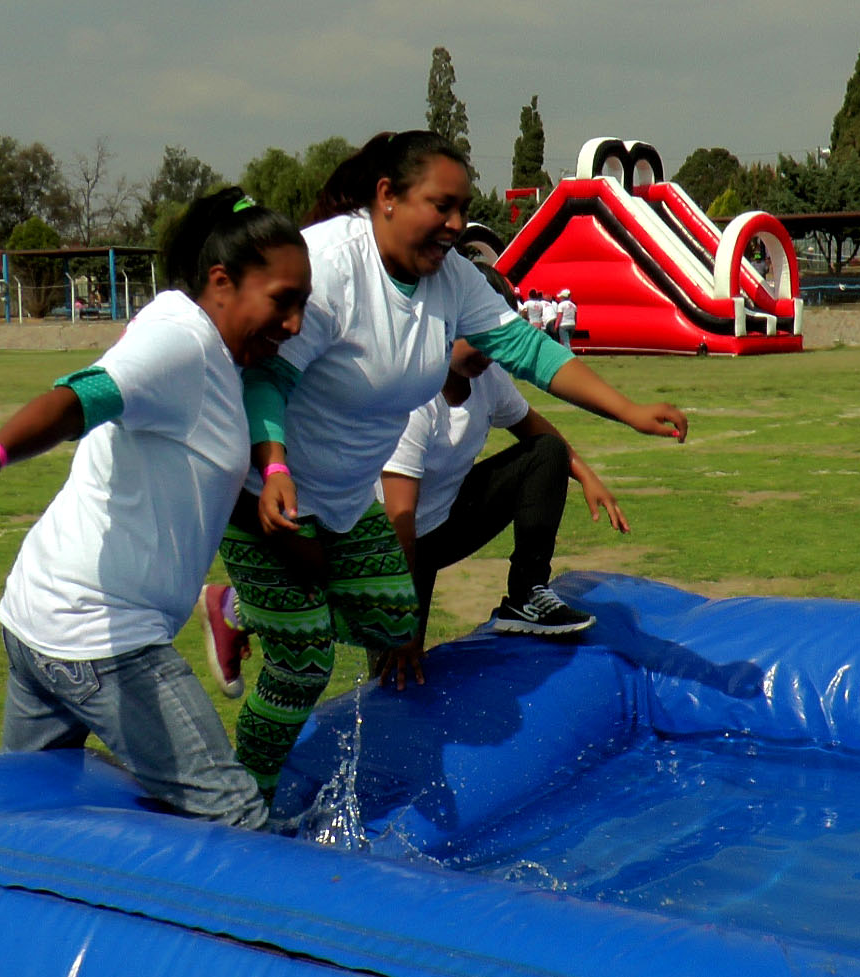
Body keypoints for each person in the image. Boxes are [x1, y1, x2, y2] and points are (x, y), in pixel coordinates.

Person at [198, 130, 687, 793]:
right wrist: (276, 467)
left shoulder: (452, 278)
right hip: (262, 493)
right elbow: (265, 378)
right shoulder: (331, 267)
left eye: (464, 209)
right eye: (441, 205)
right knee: (303, 664)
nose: (456, 224)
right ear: (388, 196)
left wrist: (627, 410)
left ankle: (237, 609)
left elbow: (527, 349)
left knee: (395, 621)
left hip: (345, 501)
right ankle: (242, 800)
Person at [0, 188, 311, 829]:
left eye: (303, 304)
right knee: (237, 815)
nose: (294, 324)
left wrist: (271, 475)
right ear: (221, 282)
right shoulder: (182, 343)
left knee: (27, 813)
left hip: (40, 615)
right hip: (103, 641)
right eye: (282, 301)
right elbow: (86, 395)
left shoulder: (209, 343)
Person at [380, 271, 634, 643]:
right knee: (398, 659)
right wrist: (399, 620)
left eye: (497, 340)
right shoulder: (415, 396)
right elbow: (398, 517)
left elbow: (537, 431)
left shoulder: (489, 379)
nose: (488, 352)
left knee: (547, 451)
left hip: (441, 523)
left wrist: (586, 476)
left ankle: (527, 593)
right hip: (391, 543)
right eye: (477, 336)